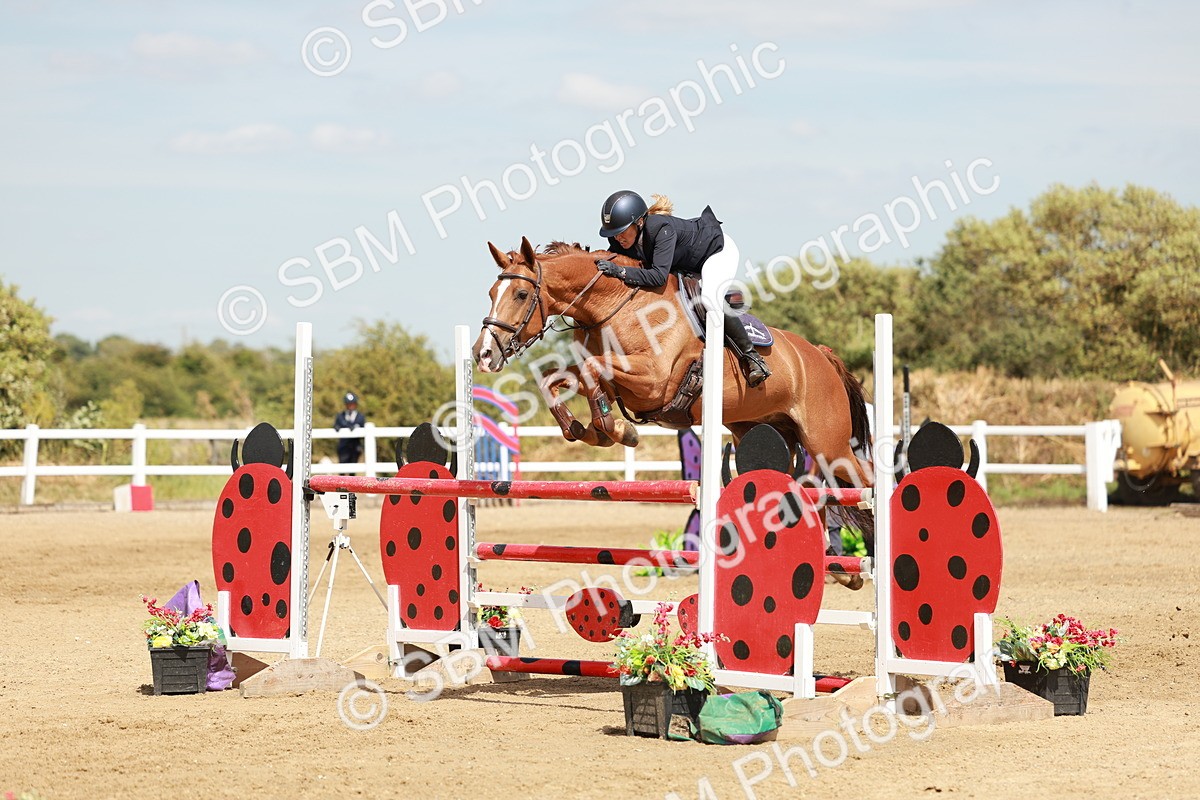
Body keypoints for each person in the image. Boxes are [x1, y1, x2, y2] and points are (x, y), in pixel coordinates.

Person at [594, 190, 771, 387]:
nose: (618, 238)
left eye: (622, 231)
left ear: (640, 222)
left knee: (710, 298)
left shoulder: (661, 229)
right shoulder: (620, 240)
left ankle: (752, 358)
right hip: (687, 264)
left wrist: (620, 272)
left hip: (716, 251)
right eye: (614, 233)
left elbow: (658, 276)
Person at [333, 392, 367, 466]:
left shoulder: (360, 417)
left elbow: (363, 430)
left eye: (352, 404)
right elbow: (336, 426)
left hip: (355, 447)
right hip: (343, 447)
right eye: (349, 404)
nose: (351, 406)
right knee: (343, 467)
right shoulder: (340, 416)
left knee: (353, 467)